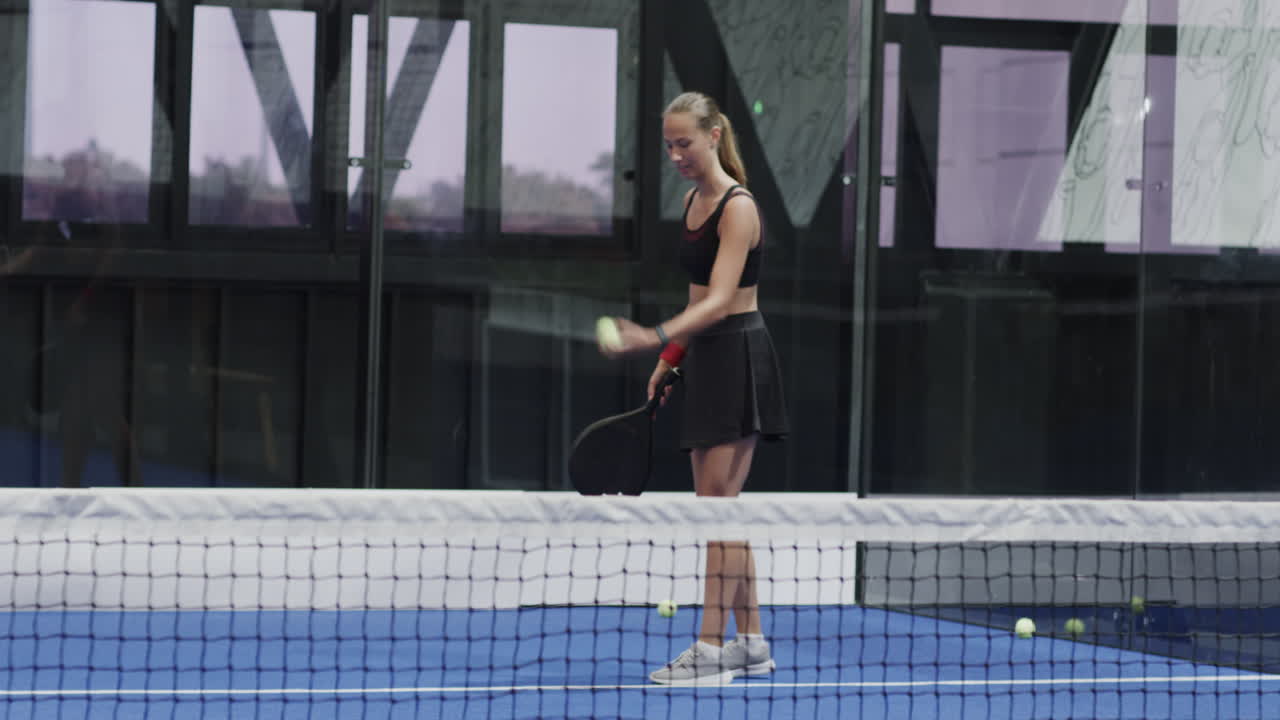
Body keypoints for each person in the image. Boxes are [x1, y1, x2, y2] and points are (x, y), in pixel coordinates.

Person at [599, 91, 788, 685]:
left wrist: (650, 337)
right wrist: (672, 359)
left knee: (715, 513)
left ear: (713, 135)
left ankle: (709, 650)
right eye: (669, 145)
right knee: (722, 510)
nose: (676, 154)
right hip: (705, 356)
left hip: (738, 356)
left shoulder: (739, 208)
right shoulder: (692, 201)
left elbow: (725, 299)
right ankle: (751, 642)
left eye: (685, 142)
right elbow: (695, 297)